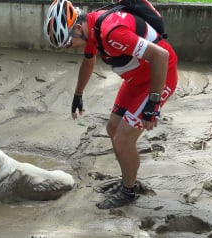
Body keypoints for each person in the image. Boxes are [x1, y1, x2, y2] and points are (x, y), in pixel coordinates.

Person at [44, 0, 178, 209]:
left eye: (68, 43)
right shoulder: (90, 28)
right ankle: (127, 181)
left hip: (158, 77)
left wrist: (153, 102)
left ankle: (128, 192)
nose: (69, 48)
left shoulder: (111, 32)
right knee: (112, 129)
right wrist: (78, 94)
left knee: (123, 138)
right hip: (135, 80)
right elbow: (88, 62)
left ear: (77, 29)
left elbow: (161, 56)